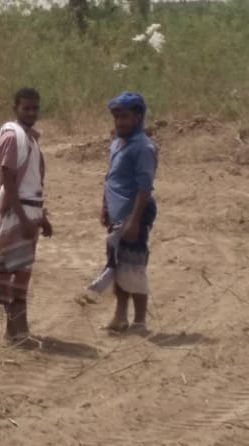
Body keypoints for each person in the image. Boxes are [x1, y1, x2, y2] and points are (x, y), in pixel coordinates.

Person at [0, 87, 53, 343]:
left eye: (35, 108)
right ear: (15, 109)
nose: (31, 113)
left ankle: (17, 331)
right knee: (15, 271)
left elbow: (31, 183)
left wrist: (41, 217)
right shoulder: (14, 137)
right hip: (19, 213)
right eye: (26, 108)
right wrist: (24, 219)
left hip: (30, 210)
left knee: (21, 272)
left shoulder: (30, 139)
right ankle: (16, 332)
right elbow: (10, 181)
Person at [100, 91, 158, 334]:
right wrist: (104, 206)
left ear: (138, 117)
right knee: (118, 266)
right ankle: (120, 316)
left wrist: (134, 220)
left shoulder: (144, 147)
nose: (120, 122)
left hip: (134, 215)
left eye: (125, 117)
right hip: (116, 216)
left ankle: (140, 322)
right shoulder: (117, 143)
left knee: (134, 268)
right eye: (117, 117)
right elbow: (110, 177)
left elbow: (144, 187)